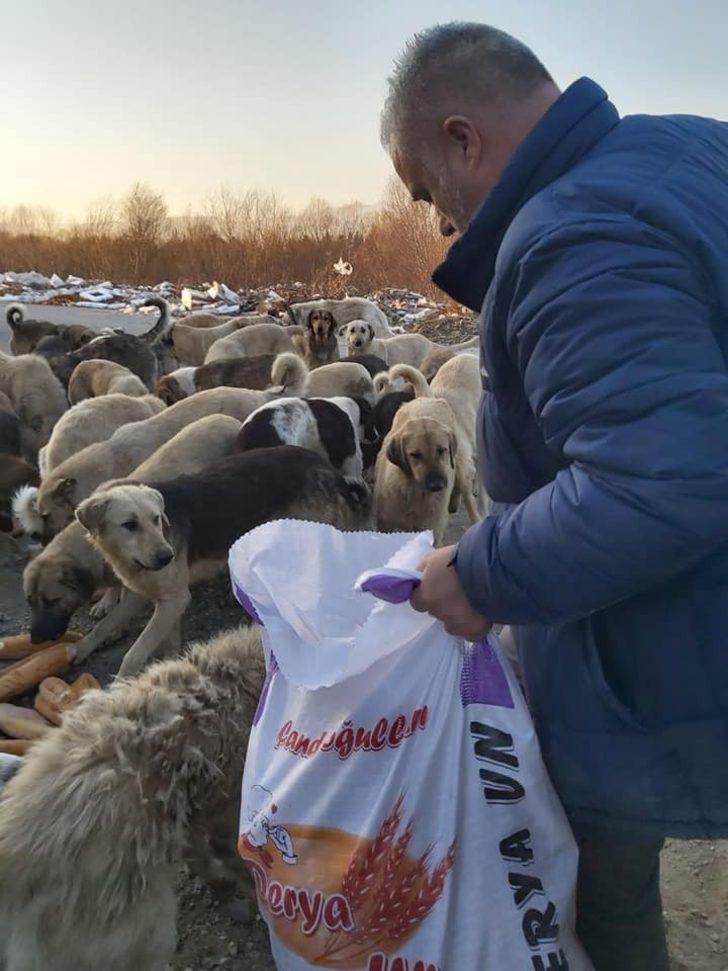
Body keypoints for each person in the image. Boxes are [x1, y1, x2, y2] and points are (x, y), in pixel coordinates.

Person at [380, 21, 728, 971]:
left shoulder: (574, 231)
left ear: (463, 138)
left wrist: (481, 572)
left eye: (426, 193)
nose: (440, 224)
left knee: (602, 902)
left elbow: (656, 481)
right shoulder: (689, 148)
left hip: (657, 653)